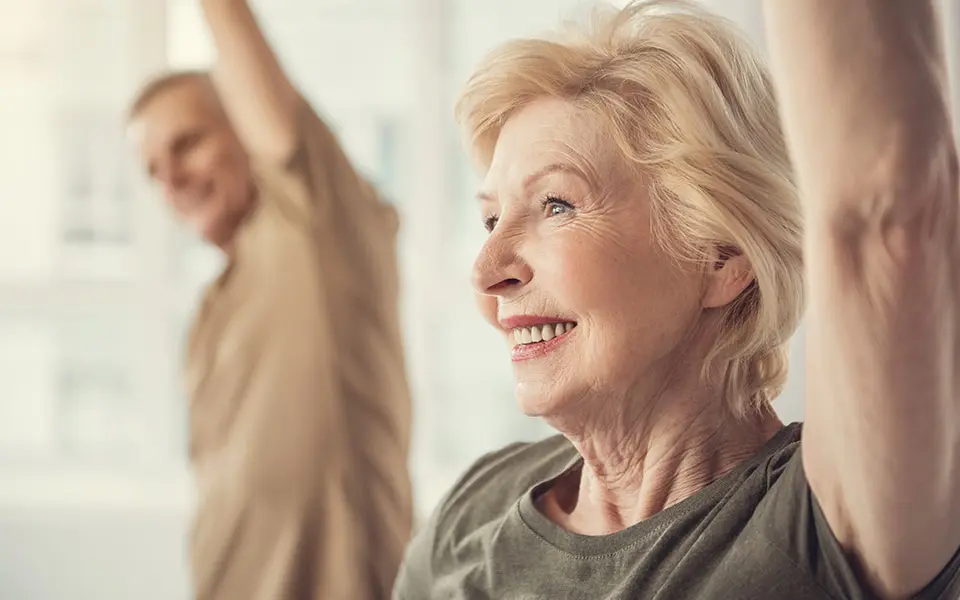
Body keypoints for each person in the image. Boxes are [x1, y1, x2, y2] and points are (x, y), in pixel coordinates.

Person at [393, 0, 960, 598]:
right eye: (489, 220)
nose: (485, 272)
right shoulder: (473, 510)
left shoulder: (825, 525)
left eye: (556, 205)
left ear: (721, 255)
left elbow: (887, 220)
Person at [126, 1, 412, 598]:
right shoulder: (212, 306)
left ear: (247, 131)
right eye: (152, 169)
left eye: (187, 143)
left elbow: (237, 38)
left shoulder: (315, 227)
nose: (170, 180)